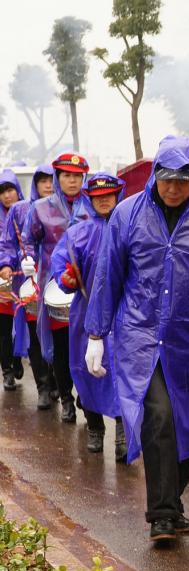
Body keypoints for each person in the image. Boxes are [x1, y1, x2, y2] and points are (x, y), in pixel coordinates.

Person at [85, 136, 189, 543]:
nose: (174, 188)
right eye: (167, 179)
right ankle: (161, 514)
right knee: (158, 415)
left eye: (183, 180)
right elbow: (108, 275)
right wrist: (96, 333)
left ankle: (171, 504)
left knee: (186, 424)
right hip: (139, 336)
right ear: (155, 177)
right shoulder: (127, 216)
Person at [50, 172, 127, 461]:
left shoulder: (129, 229)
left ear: (118, 195)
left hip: (123, 315)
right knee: (87, 371)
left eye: (109, 195)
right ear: (89, 199)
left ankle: (123, 432)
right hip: (86, 314)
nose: (104, 200)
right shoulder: (77, 233)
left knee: (121, 373)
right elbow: (61, 265)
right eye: (98, 197)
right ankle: (95, 428)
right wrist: (67, 278)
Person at [24, 152, 94, 424]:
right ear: (57, 178)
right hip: (55, 286)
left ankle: (86, 397)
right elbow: (30, 240)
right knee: (63, 348)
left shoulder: (93, 205)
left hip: (87, 287)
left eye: (77, 176)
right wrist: (27, 259)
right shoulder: (41, 208)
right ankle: (65, 397)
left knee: (89, 343)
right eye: (66, 175)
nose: (72, 181)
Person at [0, 165, 56, 403]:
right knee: (33, 333)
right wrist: (6, 264)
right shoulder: (21, 211)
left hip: (61, 283)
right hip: (27, 282)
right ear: (35, 184)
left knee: (61, 336)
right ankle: (42, 385)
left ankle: (61, 384)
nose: (48, 185)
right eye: (42, 181)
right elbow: (9, 243)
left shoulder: (74, 209)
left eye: (51, 180)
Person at [0, 169, 25, 390]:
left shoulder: (29, 212)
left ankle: (18, 359)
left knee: (24, 325)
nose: (7, 195)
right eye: (2, 192)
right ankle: (7, 369)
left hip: (25, 281)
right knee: (5, 329)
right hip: (3, 282)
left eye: (10, 190)